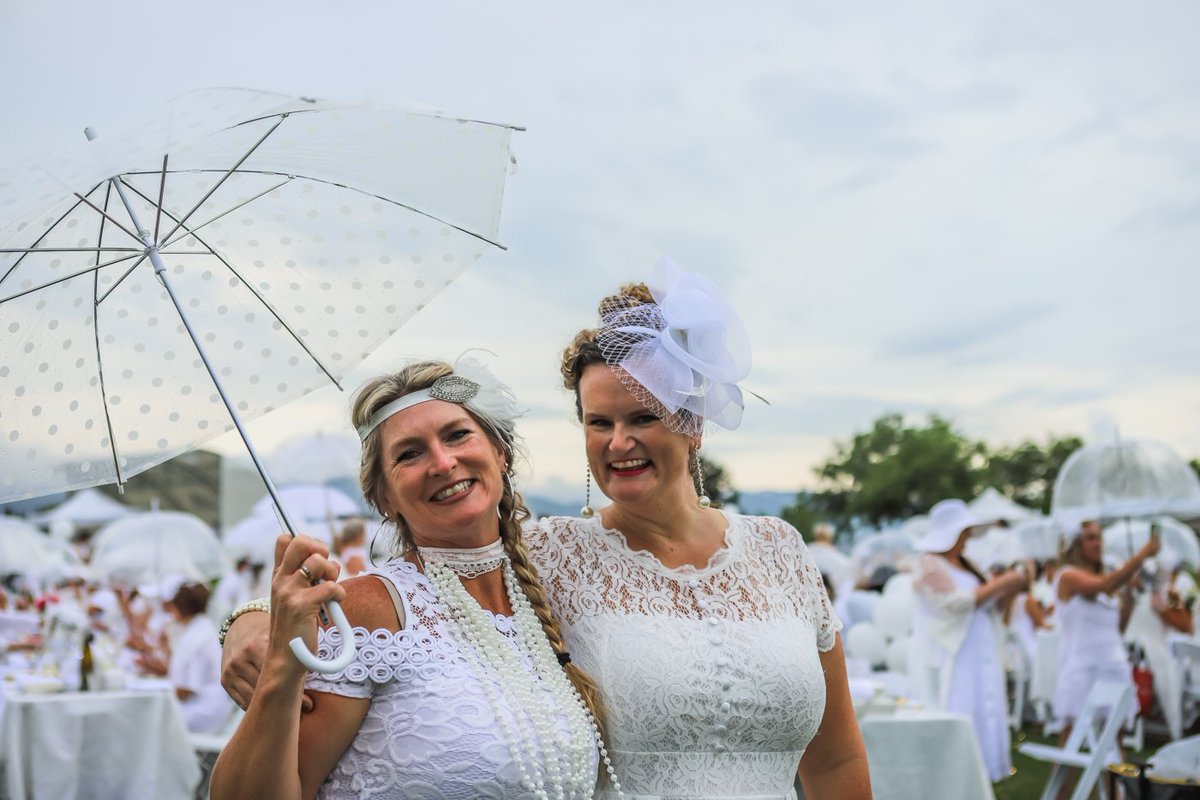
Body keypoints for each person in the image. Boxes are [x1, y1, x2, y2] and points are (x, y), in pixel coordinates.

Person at [222, 261, 870, 798]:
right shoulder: (559, 555)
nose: (619, 442)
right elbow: (428, 570)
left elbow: (837, 760)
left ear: (693, 423)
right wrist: (250, 622)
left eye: (642, 417)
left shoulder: (781, 550)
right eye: (598, 422)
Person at [211, 358, 611, 799]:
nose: (442, 462)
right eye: (409, 454)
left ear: (501, 454)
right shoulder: (371, 612)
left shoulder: (553, 582)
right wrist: (279, 654)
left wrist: (245, 616)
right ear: (384, 498)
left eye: (457, 435)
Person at [909, 498, 1028, 783]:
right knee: (961, 706)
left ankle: (982, 776)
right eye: (963, 532)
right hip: (955, 652)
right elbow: (954, 603)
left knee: (984, 707)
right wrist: (999, 583)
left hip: (980, 648)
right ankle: (956, 777)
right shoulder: (929, 563)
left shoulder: (969, 564)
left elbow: (988, 607)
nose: (968, 539)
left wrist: (1009, 589)